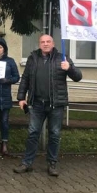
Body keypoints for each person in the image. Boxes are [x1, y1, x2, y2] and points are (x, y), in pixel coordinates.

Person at [14, 34, 82, 176]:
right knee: (33, 133)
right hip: (36, 103)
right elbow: (25, 78)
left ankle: (52, 164)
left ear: (53, 43)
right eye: (42, 42)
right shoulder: (33, 58)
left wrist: (69, 68)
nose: (45, 44)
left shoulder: (62, 58)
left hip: (56, 104)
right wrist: (21, 97)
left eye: (48, 41)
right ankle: (27, 163)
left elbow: (78, 77)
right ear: (39, 44)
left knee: (54, 134)